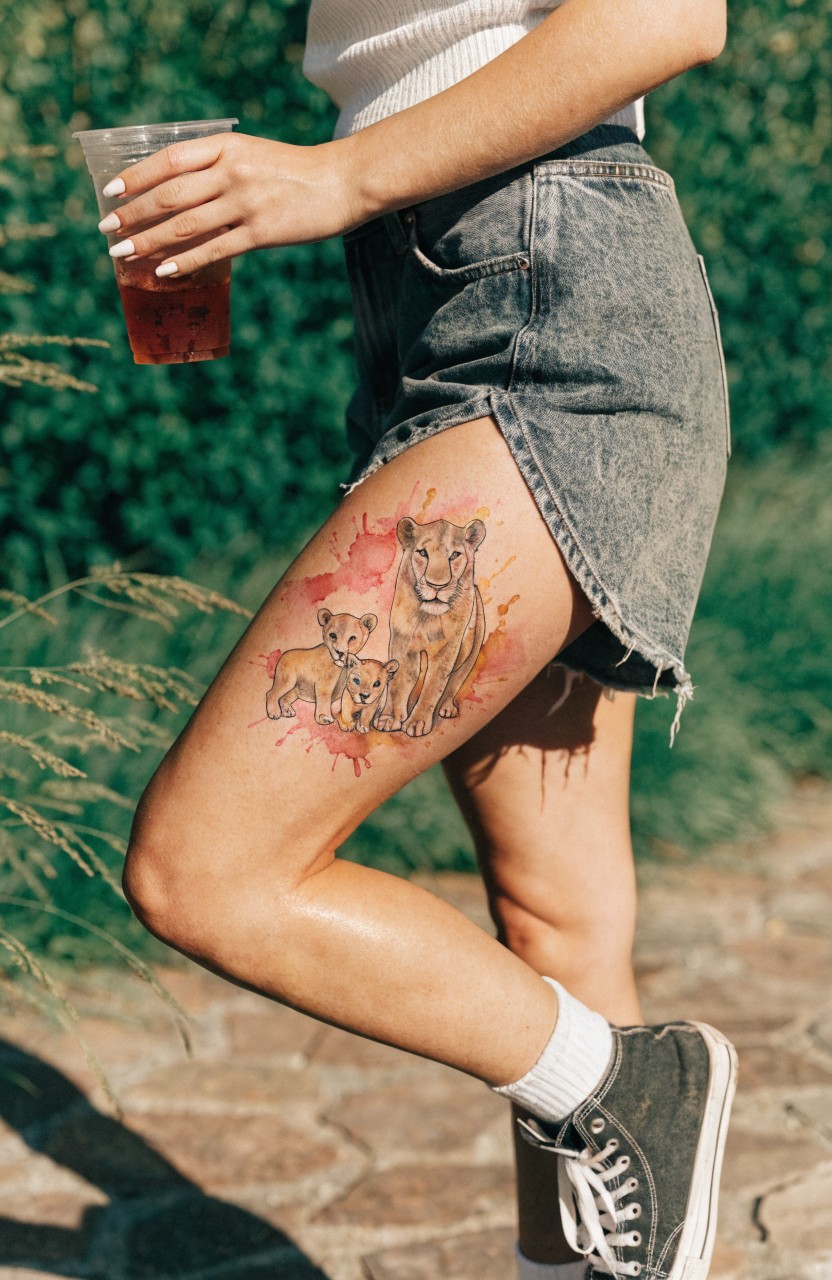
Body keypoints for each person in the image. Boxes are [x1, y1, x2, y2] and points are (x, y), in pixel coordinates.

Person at [106, 0, 737, 1275]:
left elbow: (670, 13)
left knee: (207, 866)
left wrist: (332, 176)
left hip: (552, 299)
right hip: (427, 305)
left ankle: (629, 1081)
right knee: (554, 916)